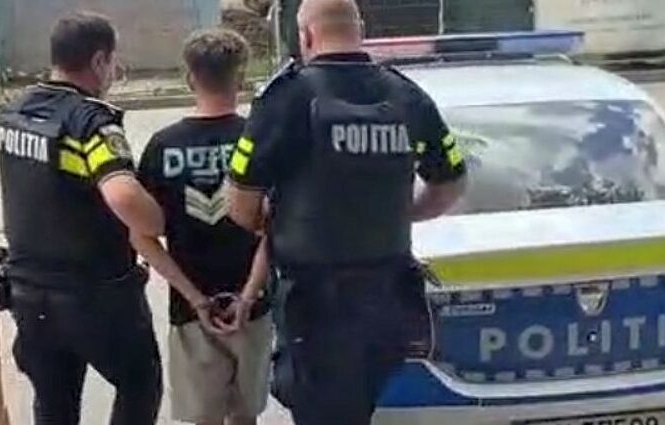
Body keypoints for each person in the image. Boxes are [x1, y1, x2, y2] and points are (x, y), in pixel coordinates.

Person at [225, 0, 468, 423]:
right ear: (361, 30)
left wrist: (283, 222)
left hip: (315, 301)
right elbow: (451, 184)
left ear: (306, 36)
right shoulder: (407, 95)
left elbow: (240, 205)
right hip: (388, 292)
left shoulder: (286, 97)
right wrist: (396, 214)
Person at [0, 12, 164, 425]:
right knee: (140, 384)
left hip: (29, 295)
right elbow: (122, 193)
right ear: (99, 61)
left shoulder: (12, 113)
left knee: (54, 404)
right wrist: (157, 222)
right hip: (95, 296)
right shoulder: (89, 121)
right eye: (112, 61)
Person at [132, 28, 273, 425]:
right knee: (245, 415)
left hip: (191, 309)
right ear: (240, 78)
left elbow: (141, 236)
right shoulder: (258, 140)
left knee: (203, 417)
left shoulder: (162, 146)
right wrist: (247, 296)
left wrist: (195, 298)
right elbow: (274, 229)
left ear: (190, 78)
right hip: (253, 305)